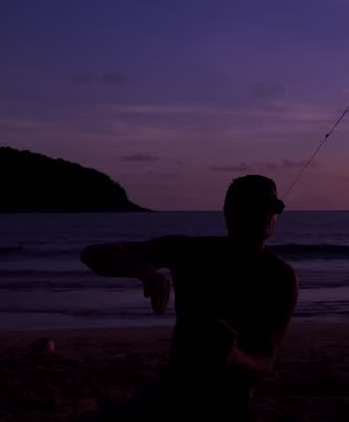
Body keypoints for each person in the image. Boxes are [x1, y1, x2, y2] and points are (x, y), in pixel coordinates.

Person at [81, 175, 298, 421]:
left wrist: (235, 357)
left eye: (275, 206)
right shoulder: (192, 253)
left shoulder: (280, 278)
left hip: (231, 404)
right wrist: (143, 270)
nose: (267, 213)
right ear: (230, 212)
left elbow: (266, 362)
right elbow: (92, 255)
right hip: (173, 394)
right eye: (257, 204)